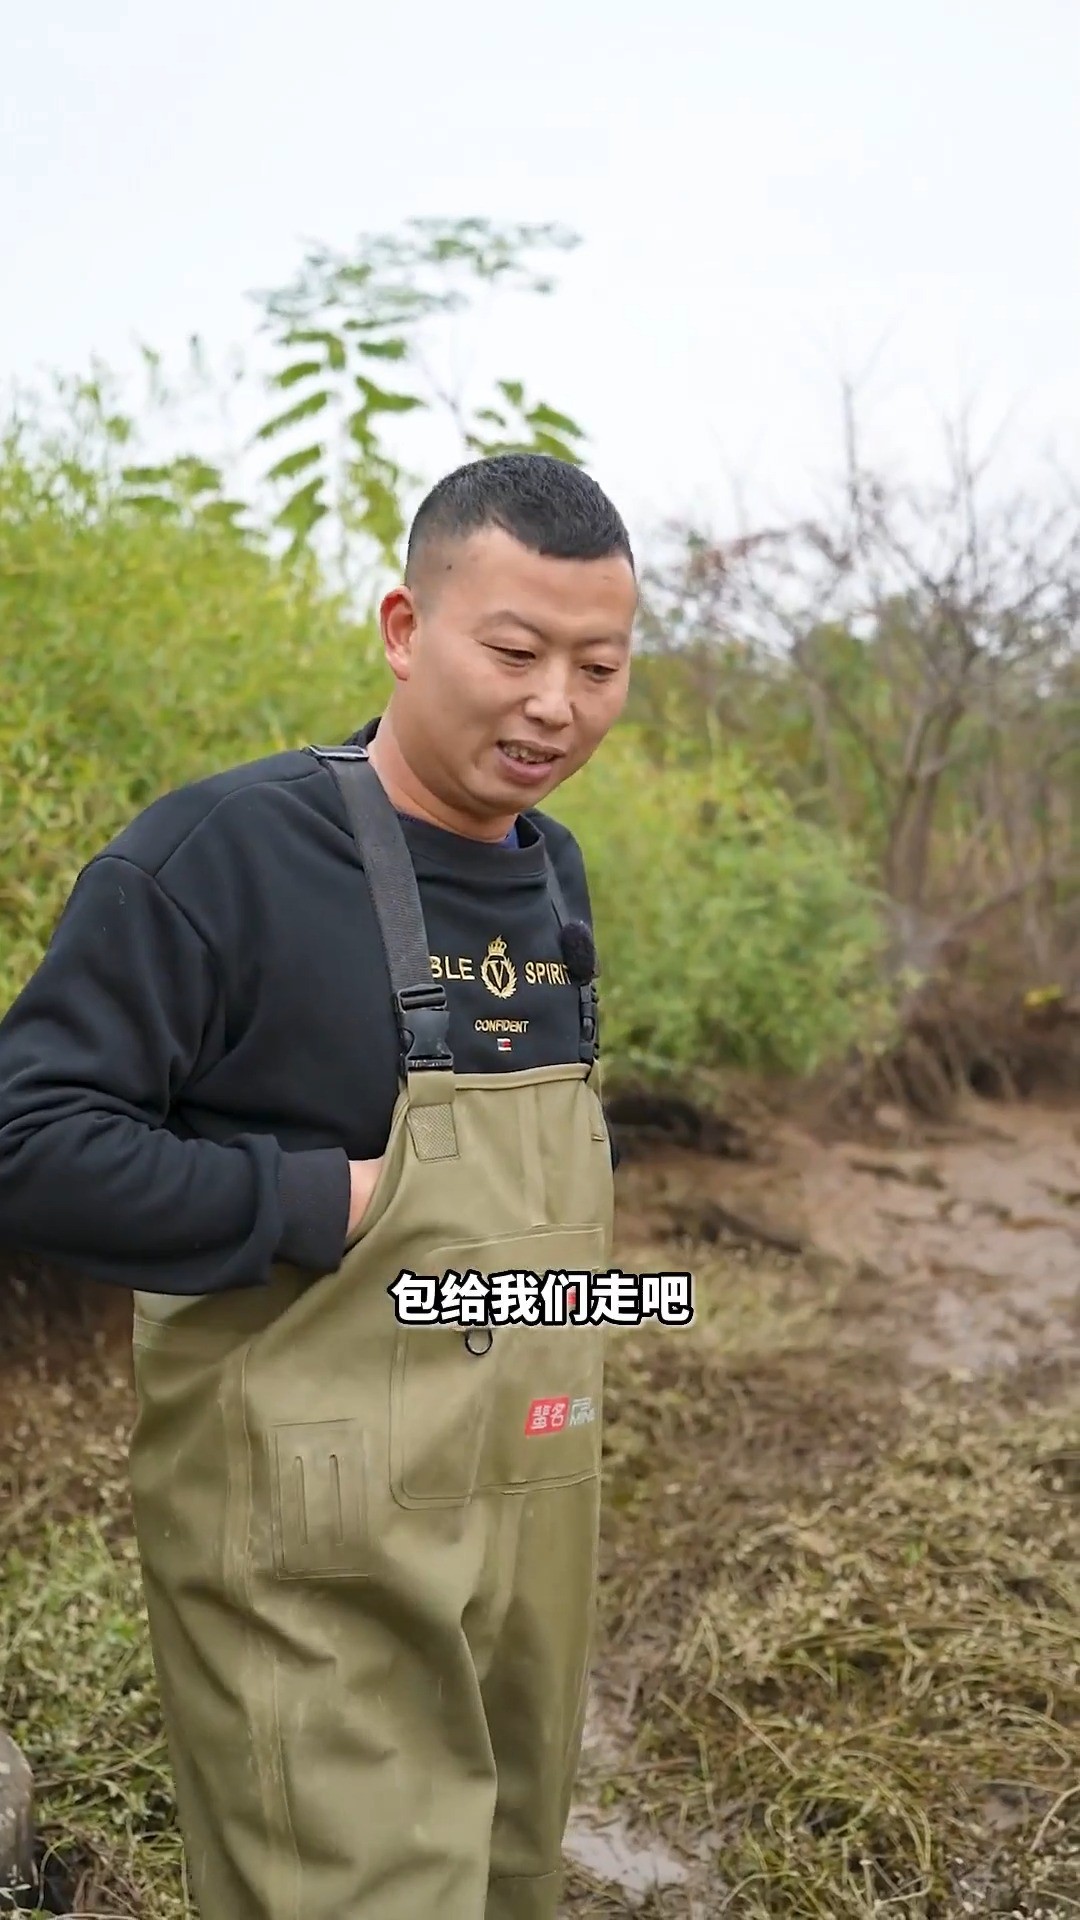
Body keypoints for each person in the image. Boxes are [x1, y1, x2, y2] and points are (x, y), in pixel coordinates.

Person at [0, 451, 638, 1920]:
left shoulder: (556, 877)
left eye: (599, 664)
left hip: (533, 1485)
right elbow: (28, 1141)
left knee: (504, 1873)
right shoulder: (223, 857)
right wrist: (320, 1205)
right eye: (516, 651)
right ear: (406, 630)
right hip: (311, 1513)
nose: (557, 705)